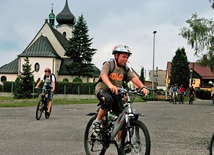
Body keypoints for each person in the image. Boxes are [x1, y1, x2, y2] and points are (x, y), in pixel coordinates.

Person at [93, 45, 149, 143]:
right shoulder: (109, 64)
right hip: (103, 89)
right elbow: (103, 75)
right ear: (116, 55)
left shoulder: (125, 69)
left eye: (127, 57)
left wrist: (143, 87)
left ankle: (120, 143)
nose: (126, 59)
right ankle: (97, 122)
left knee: (122, 117)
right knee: (108, 100)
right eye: (124, 56)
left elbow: (134, 78)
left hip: (116, 93)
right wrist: (110, 85)